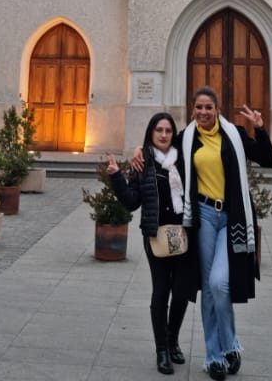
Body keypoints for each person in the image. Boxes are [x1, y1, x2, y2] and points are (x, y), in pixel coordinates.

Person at [133, 87, 272, 380]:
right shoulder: (186, 138)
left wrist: (260, 129)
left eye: (208, 107)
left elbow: (267, 159)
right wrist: (139, 150)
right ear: (193, 109)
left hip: (231, 217)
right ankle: (214, 357)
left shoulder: (234, 134)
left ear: (217, 109)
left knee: (220, 284)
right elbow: (160, 147)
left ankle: (230, 343)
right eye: (198, 107)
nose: (203, 112)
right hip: (204, 216)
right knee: (209, 288)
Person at [107, 112, 197, 375]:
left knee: (181, 292)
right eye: (159, 130)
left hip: (183, 235)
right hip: (156, 236)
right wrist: (116, 177)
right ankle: (162, 350)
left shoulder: (184, 158)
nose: (164, 135)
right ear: (151, 133)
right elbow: (131, 202)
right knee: (161, 291)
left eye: (168, 130)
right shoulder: (142, 162)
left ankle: (173, 339)